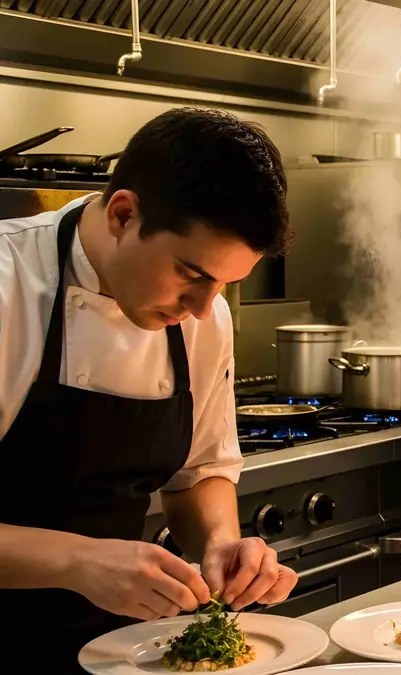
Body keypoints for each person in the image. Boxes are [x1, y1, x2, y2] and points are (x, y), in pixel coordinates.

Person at [0, 108, 297, 670]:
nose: (203, 308)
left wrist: (220, 545)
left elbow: (199, 470)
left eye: (225, 284)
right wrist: (75, 561)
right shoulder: (7, 284)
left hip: (116, 648)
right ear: (123, 213)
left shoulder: (203, 317)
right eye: (192, 273)